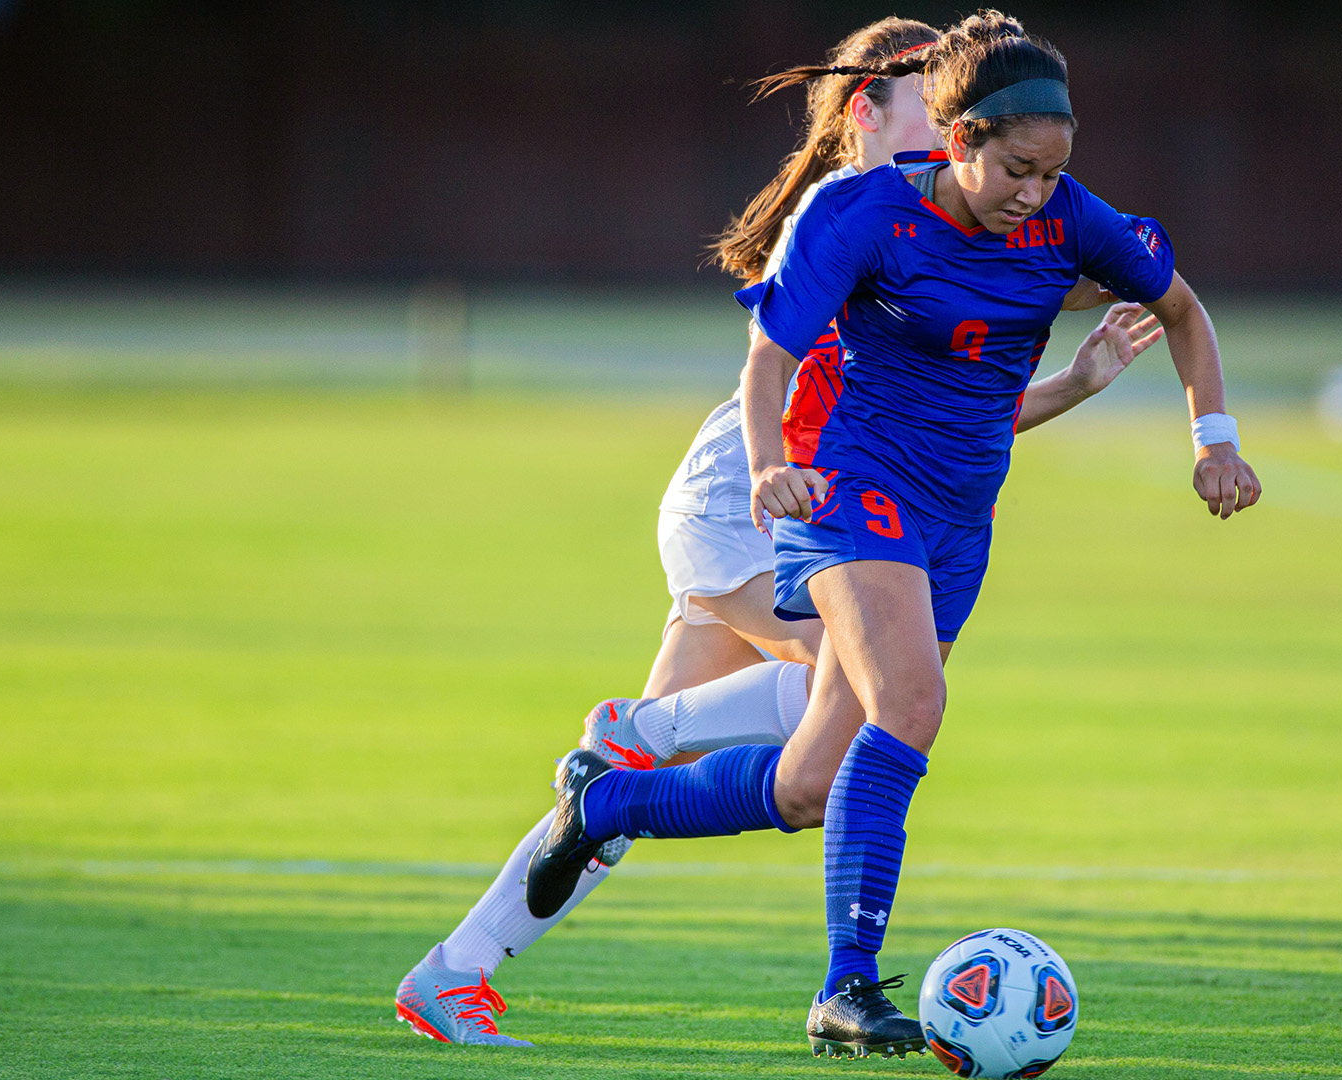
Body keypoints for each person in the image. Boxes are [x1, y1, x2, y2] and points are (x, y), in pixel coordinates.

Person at [390, 15, 1160, 1047]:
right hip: (759, 492)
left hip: (799, 491)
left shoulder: (958, 214)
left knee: (760, 778)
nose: (950, 125)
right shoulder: (862, 208)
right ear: (865, 112)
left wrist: (1072, 374)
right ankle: (641, 742)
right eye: (930, 102)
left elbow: (949, 415)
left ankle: (456, 968)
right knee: (881, 690)